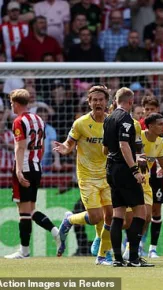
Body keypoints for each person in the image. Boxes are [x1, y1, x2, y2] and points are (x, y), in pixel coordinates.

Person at [53, 85, 113, 265]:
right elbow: (69, 143)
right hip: (87, 177)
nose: (97, 102)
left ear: (106, 102)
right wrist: (65, 148)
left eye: (101, 99)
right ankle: (69, 220)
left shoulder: (111, 122)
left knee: (110, 215)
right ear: (89, 102)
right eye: (94, 100)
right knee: (96, 217)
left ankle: (103, 255)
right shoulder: (80, 123)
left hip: (107, 175)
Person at [5, 88, 61, 259]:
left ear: (15, 103)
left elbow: (20, 146)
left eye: (11, 104)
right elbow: (42, 147)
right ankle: (56, 231)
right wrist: (35, 162)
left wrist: (19, 170)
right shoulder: (38, 120)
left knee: (23, 211)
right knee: (31, 209)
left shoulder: (18, 121)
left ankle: (24, 251)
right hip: (36, 166)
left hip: (25, 166)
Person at [102, 87, 152, 267]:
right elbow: (124, 146)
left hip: (111, 169)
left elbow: (105, 148)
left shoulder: (108, 119)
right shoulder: (126, 120)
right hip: (124, 170)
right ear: (130, 102)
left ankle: (117, 259)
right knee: (141, 212)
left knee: (118, 214)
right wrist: (135, 171)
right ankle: (133, 258)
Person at [139, 96, 163, 259]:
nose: (149, 112)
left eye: (152, 109)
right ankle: (135, 244)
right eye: (146, 109)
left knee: (155, 210)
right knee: (138, 211)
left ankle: (152, 248)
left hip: (157, 174)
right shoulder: (138, 127)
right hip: (139, 174)